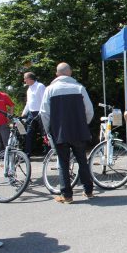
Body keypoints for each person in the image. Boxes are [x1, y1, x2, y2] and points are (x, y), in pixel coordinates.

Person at [40, 63, 94, 203]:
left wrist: (48, 131)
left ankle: (67, 196)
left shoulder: (49, 90)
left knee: (63, 164)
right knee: (82, 161)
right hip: (79, 131)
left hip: (59, 133)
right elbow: (89, 110)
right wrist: (83, 123)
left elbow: (44, 113)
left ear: (57, 74)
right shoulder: (79, 88)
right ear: (70, 73)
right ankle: (88, 191)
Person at [22, 72, 46, 157]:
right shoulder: (29, 89)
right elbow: (28, 103)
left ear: (30, 78)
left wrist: (42, 113)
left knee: (44, 133)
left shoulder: (40, 86)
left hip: (40, 113)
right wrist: (24, 113)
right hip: (31, 114)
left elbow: (44, 100)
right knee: (29, 133)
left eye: (25, 78)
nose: (24, 80)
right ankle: (27, 154)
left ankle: (48, 152)